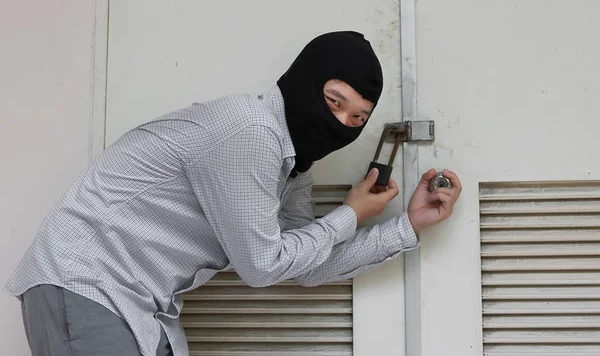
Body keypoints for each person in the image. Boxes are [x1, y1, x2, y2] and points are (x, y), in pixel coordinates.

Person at [5, 31, 461, 356]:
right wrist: (348, 214)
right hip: (88, 284)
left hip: (142, 306)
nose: (340, 124)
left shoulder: (292, 167)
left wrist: (408, 225)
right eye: (334, 101)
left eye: (356, 119)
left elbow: (303, 265)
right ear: (304, 80)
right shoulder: (250, 131)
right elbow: (262, 266)